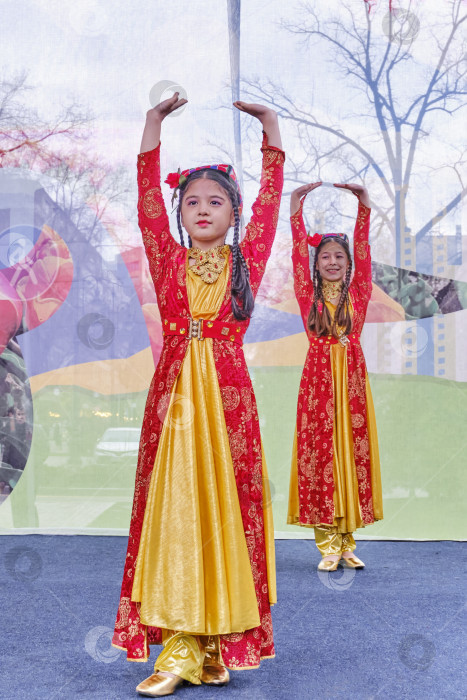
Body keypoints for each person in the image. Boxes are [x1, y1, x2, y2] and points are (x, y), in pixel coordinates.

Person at [112, 93, 284, 697]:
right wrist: (152, 123)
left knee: (227, 513)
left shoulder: (245, 260)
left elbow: (269, 206)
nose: (202, 209)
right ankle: (179, 650)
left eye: (216, 202)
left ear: (232, 214)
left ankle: (211, 643)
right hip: (177, 397)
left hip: (229, 398)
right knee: (178, 511)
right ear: (180, 212)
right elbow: (145, 210)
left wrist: (271, 129)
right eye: (192, 201)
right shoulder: (167, 259)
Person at [287, 182, 383, 572]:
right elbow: (296, 254)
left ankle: (347, 544)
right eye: (324, 256)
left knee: (350, 454)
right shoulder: (307, 293)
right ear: (316, 263)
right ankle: (327, 543)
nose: (332, 262)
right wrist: (295, 207)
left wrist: (363, 206)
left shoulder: (358, 292)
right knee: (322, 455)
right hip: (319, 383)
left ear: (348, 262)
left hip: (353, 381)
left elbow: (364, 247)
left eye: (338, 256)